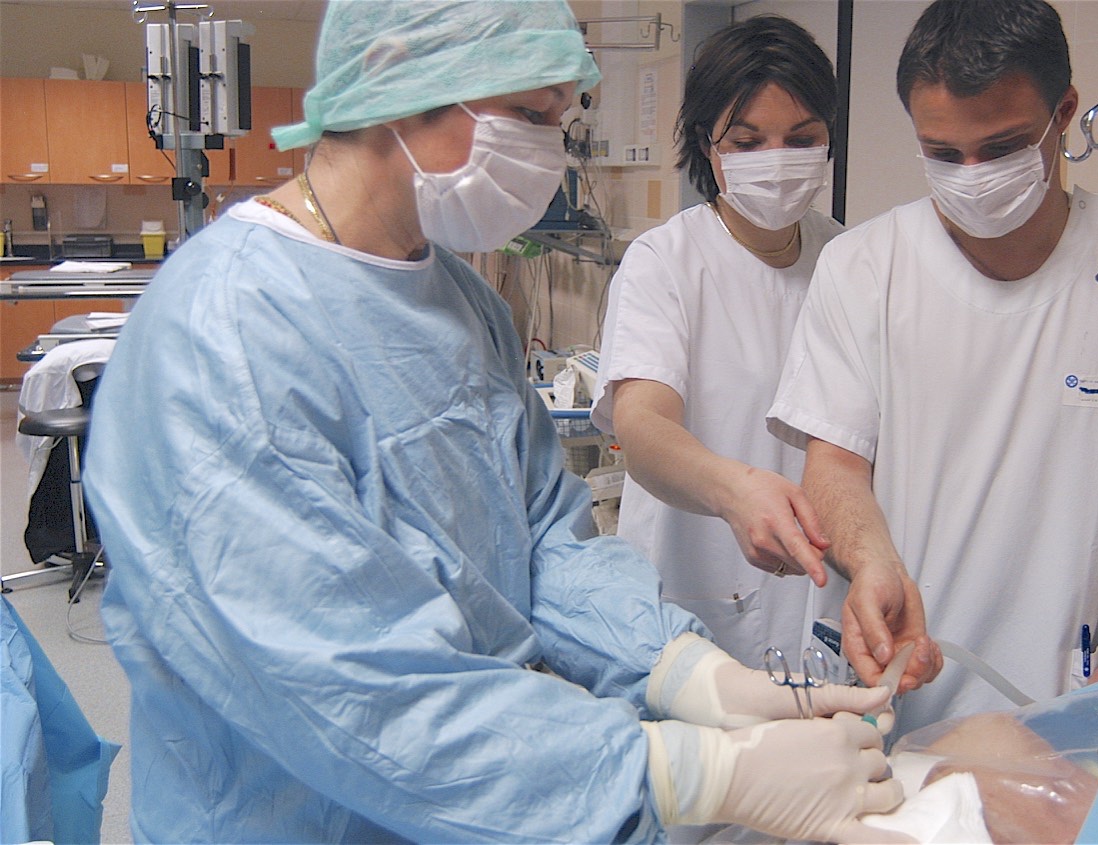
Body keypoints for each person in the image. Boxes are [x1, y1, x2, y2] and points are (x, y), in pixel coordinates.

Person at [81, 3, 906, 842]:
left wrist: (684, 670)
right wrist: (686, 769)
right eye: (529, 116)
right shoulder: (225, 331)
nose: (549, 151)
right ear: (399, 80)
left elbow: (541, 541)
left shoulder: (461, 302)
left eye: (560, 118)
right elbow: (350, 687)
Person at [768, 0, 1098, 736]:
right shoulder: (864, 267)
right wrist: (871, 562)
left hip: (1058, 709)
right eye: (942, 154)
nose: (972, 176)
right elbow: (832, 462)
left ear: (1065, 112)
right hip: (888, 690)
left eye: (1002, 147)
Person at [592, 16, 865, 669]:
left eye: (800, 139)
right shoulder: (667, 263)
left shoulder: (851, 262)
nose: (774, 161)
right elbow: (642, 425)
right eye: (747, 141)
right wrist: (734, 491)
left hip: (820, 610)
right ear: (707, 146)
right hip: (692, 616)